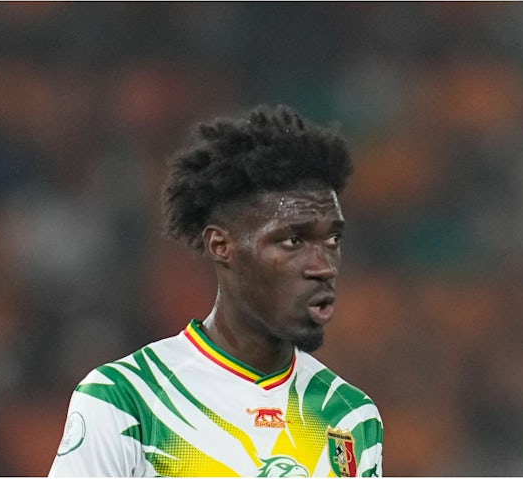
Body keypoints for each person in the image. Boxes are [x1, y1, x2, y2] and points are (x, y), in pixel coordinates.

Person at [49, 104, 384, 477]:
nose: (323, 265)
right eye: (293, 240)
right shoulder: (125, 400)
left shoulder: (352, 416)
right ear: (221, 246)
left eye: (332, 239)